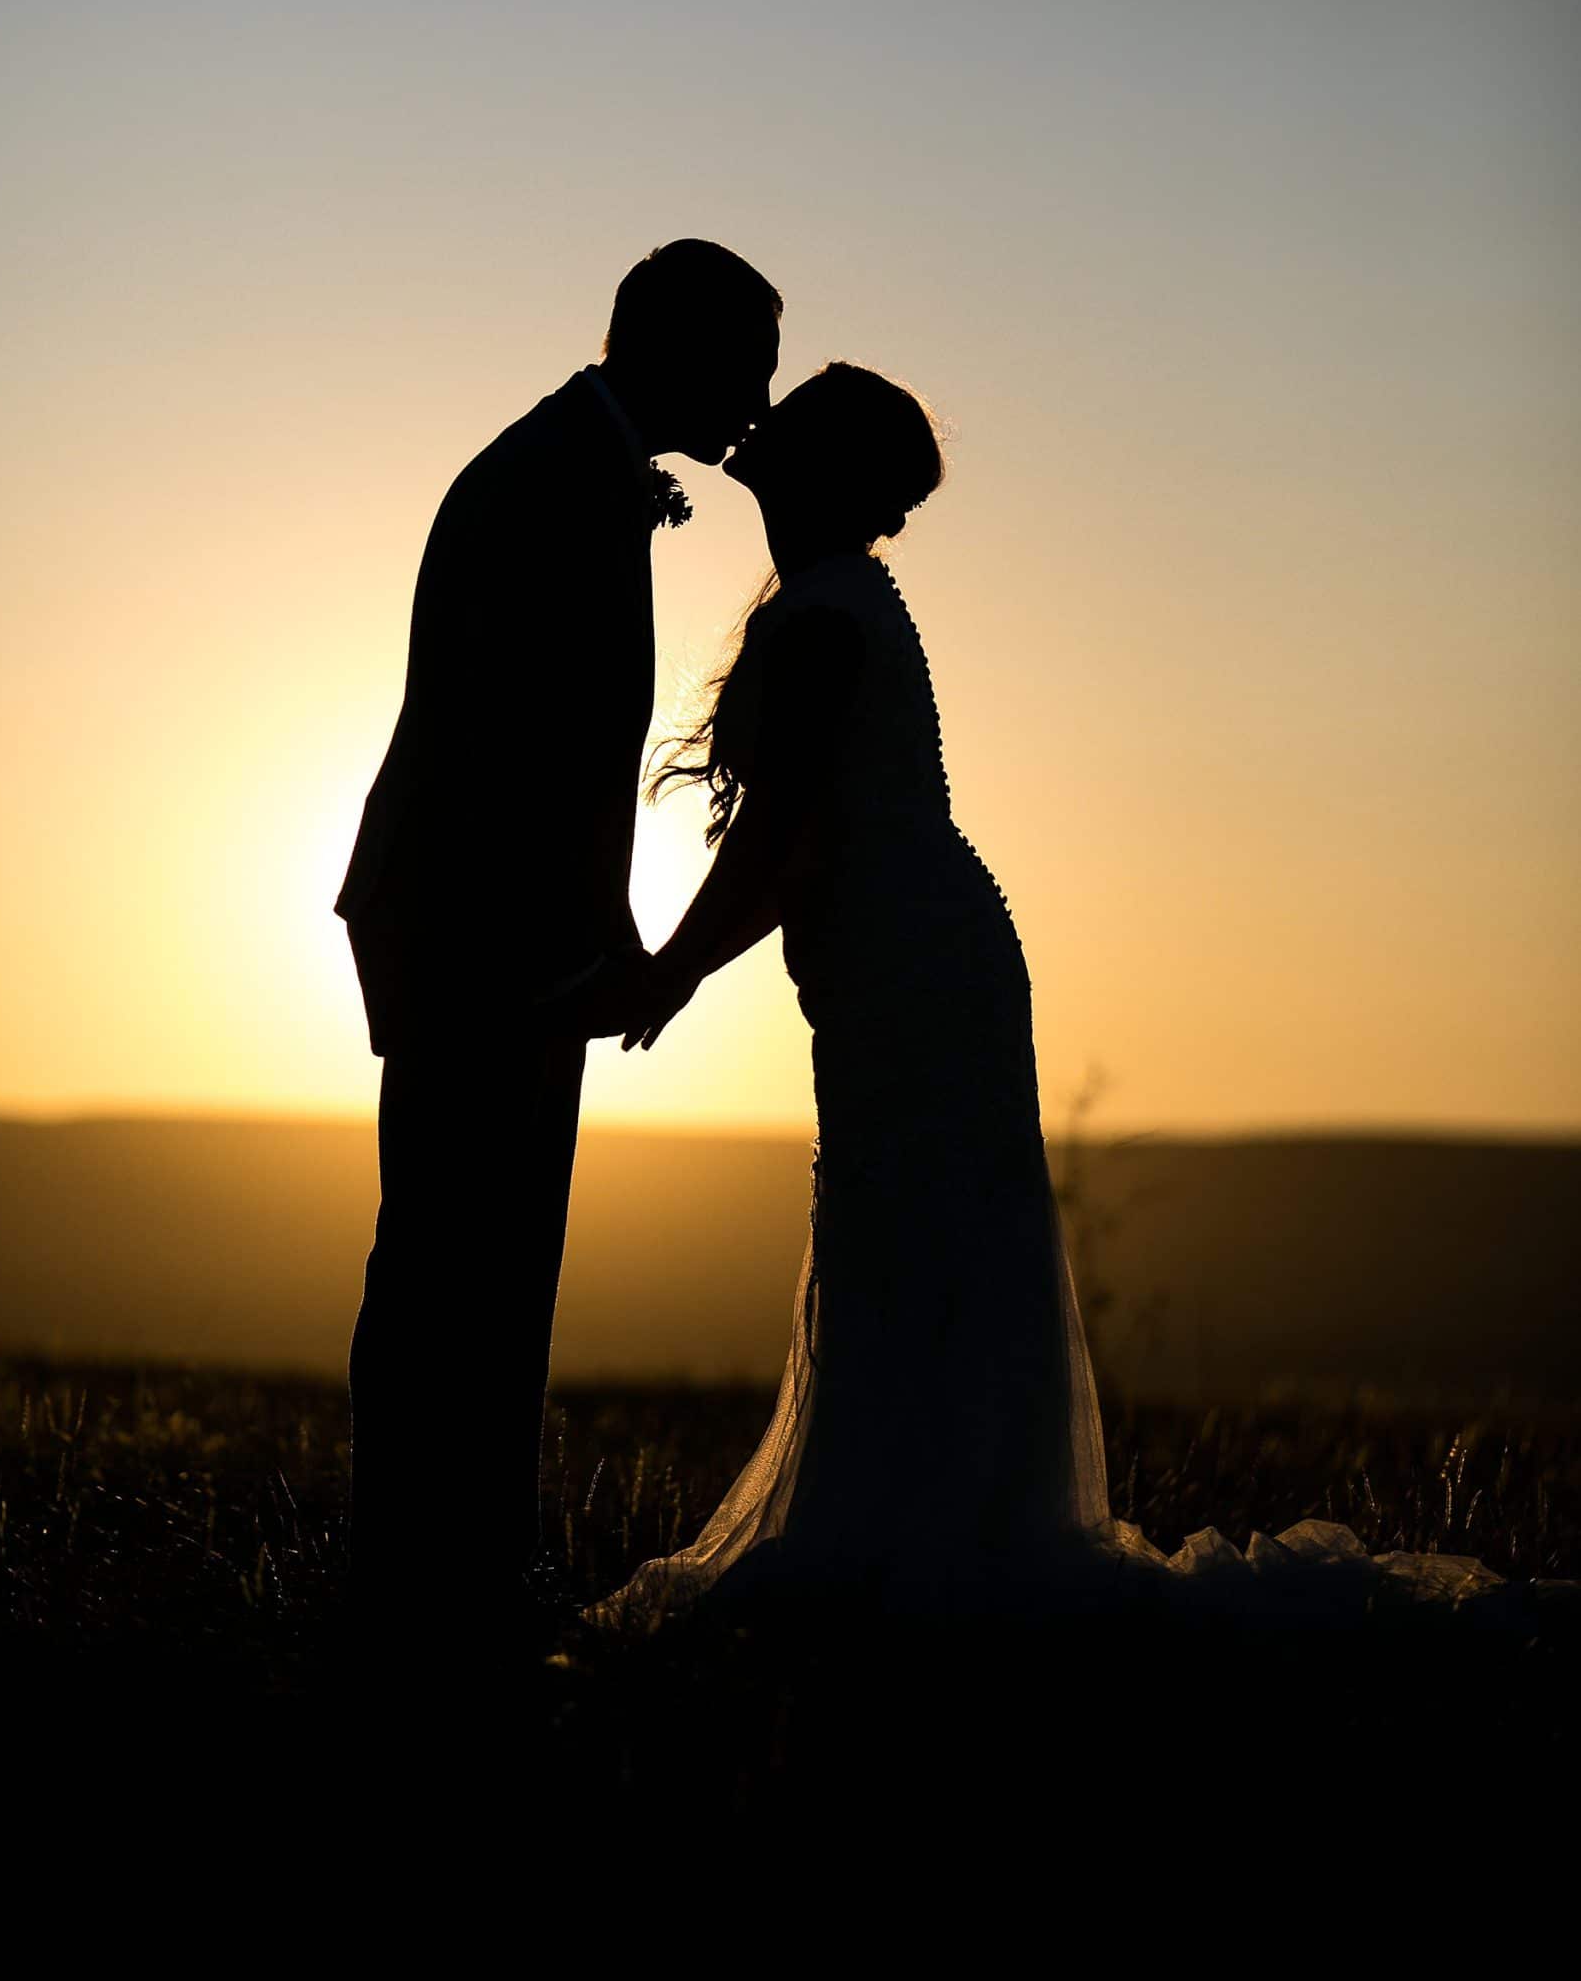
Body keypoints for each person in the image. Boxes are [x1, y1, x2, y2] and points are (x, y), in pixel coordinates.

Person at [608, 365, 1509, 1622]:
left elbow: (784, 843)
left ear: (825, 466)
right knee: (912, 1237)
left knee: (909, 1235)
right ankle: (926, 1534)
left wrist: (671, 970)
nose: (761, 416)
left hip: (911, 963)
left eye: (794, 408)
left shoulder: (821, 616)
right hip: (912, 954)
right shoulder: (832, 598)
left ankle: (911, 1556)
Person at [335, 239, 781, 1645]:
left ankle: (454, 1566)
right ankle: (430, 1583)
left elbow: (568, 759)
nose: (756, 406)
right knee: (455, 1262)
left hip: (510, 936)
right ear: (673, 346)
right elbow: (506, 751)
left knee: (482, 1259)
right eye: (747, 370)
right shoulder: (544, 484)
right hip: (483, 939)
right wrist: (584, 951)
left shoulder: (566, 469)